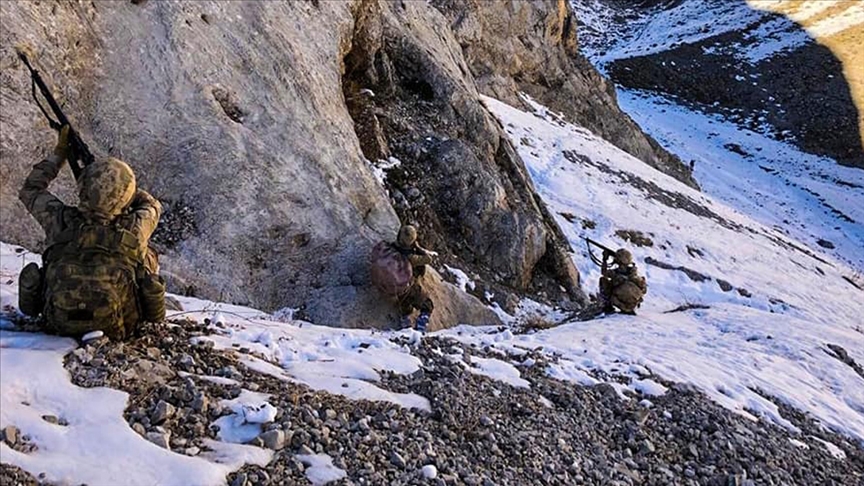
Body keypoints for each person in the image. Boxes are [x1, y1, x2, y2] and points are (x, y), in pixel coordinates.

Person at [17, 126, 166, 340]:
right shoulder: (135, 227)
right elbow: (152, 205)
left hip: (55, 321)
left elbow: (31, 190)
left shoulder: (61, 221)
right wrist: (126, 190)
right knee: (148, 255)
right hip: (121, 326)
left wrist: (59, 154)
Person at [599, 248, 647, 315]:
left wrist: (604, 259)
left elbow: (604, 273)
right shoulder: (634, 273)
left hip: (620, 301)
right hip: (633, 303)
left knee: (603, 280)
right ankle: (629, 307)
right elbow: (644, 290)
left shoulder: (617, 273)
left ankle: (607, 306)